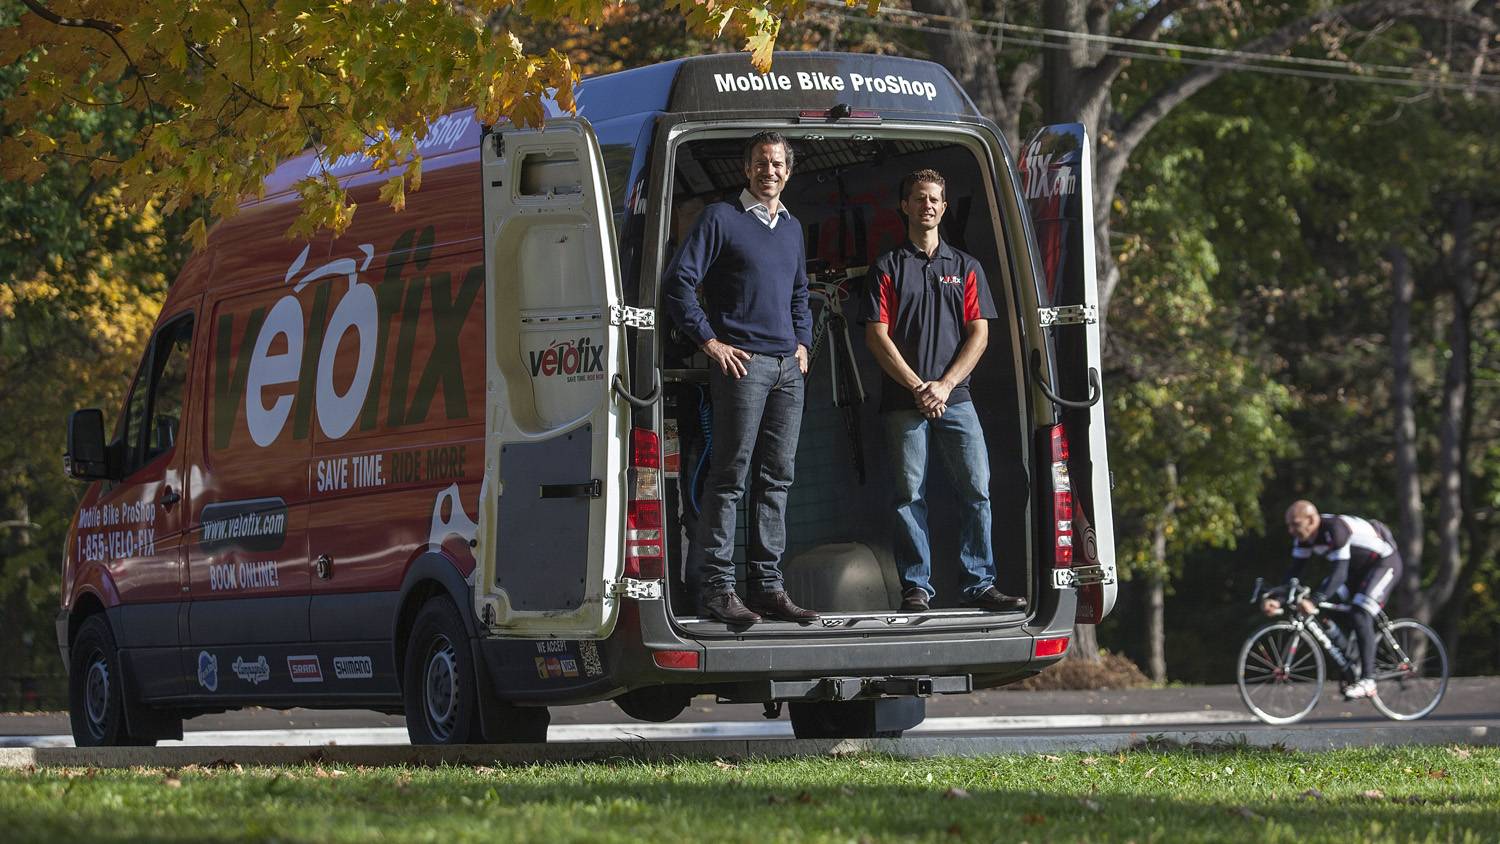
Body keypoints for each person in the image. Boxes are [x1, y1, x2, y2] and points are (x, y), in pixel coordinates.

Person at [661, 131, 818, 625]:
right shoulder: (721, 218)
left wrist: (803, 345)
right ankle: (717, 589)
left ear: (787, 172)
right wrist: (710, 342)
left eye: (776, 164)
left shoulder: (791, 228)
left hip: (786, 371)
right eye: (759, 163)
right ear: (746, 168)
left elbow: (800, 293)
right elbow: (678, 283)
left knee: (777, 479)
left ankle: (768, 588)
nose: (768, 171)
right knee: (729, 477)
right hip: (742, 366)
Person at [863, 168, 1026, 614]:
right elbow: (877, 336)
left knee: (977, 490)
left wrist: (945, 385)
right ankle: (916, 588)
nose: (927, 206)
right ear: (905, 206)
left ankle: (980, 584)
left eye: (934, 198)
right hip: (904, 400)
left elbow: (980, 335)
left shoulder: (966, 267)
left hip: (957, 400)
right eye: (919, 199)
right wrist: (919, 386)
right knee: (908, 496)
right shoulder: (887, 267)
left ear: (944, 206)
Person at [1262, 500, 1403, 699]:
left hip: (1384, 563)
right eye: (1288, 526)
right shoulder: (1304, 538)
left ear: (1311, 520)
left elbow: (1338, 574)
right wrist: (1278, 598)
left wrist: (1314, 600)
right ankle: (1352, 660)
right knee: (1329, 607)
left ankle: (1368, 680)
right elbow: (1295, 572)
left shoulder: (1336, 529)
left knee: (1360, 613)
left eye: (1295, 524)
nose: (1291, 530)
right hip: (1356, 572)